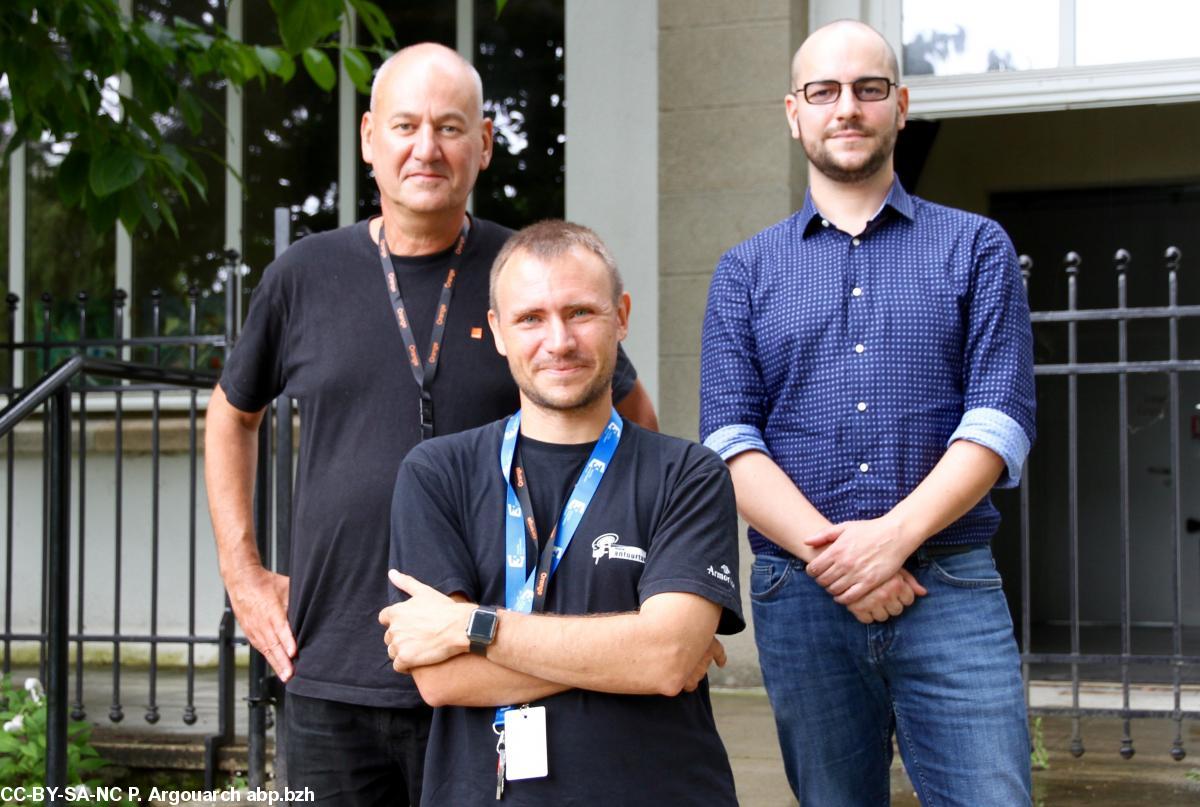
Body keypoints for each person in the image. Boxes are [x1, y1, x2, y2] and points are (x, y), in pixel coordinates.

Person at [204, 44, 657, 806]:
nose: (427, 148)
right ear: (368, 138)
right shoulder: (304, 275)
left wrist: (609, 594)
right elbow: (230, 414)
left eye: (449, 128)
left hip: (490, 665)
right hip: (329, 671)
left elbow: (630, 420)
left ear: (484, 143)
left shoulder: (527, 274)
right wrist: (242, 572)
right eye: (406, 125)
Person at [699, 20, 1036, 806]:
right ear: (795, 112)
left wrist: (891, 541)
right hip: (800, 596)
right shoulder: (744, 271)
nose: (846, 107)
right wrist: (843, 562)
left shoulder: (977, 247)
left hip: (947, 583)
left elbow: (998, 421)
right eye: (823, 91)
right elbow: (729, 440)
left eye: (868, 89)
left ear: (901, 106)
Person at [379, 220, 742, 806]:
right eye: (530, 318)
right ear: (498, 331)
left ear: (621, 316)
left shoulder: (689, 473)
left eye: (580, 313)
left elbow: (667, 660)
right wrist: (633, 654)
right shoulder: (436, 473)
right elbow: (442, 678)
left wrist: (472, 627)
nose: (559, 341)